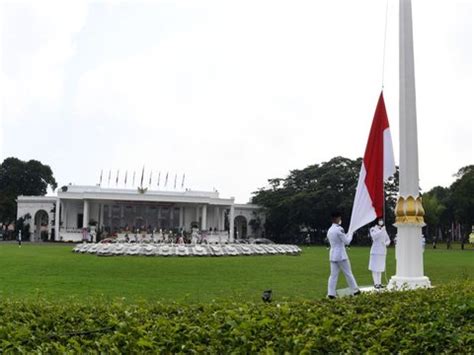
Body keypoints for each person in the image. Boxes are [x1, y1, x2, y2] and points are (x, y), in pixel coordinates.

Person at [327, 211, 360, 299]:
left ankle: (331, 293)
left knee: (333, 275)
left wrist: (347, 235)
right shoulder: (339, 229)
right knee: (348, 273)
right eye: (340, 218)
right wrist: (351, 233)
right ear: (337, 218)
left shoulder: (330, 230)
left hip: (333, 254)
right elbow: (347, 241)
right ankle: (355, 290)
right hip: (341, 255)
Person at [369, 219, 391, 289]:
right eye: (380, 220)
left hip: (382, 251)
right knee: (375, 268)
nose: (381, 221)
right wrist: (381, 231)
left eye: (382, 220)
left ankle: (379, 283)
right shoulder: (373, 229)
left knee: (380, 268)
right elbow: (374, 237)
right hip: (375, 251)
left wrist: (386, 243)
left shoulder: (384, 229)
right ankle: (376, 283)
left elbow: (388, 239)